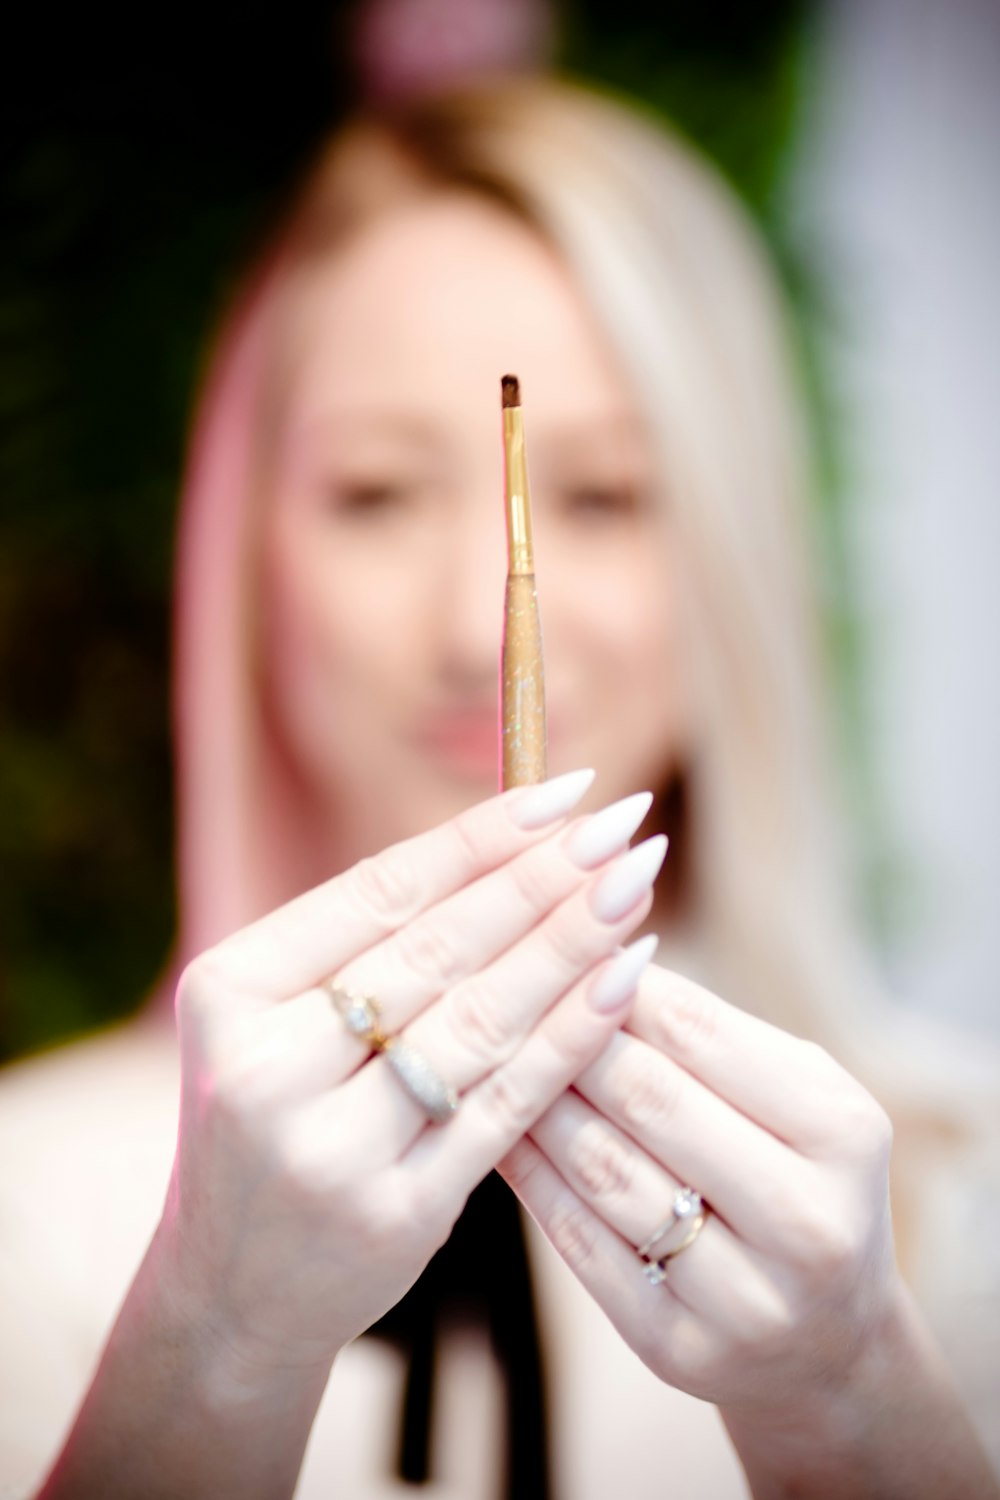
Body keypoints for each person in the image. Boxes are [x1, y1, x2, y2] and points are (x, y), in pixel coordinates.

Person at [1, 75, 998, 1500]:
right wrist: (212, 1349)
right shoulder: (21, 1221)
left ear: (735, 552)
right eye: (377, 494)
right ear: (247, 565)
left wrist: (854, 1410)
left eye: (606, 496)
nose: (481, 629)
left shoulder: (969, 1217)